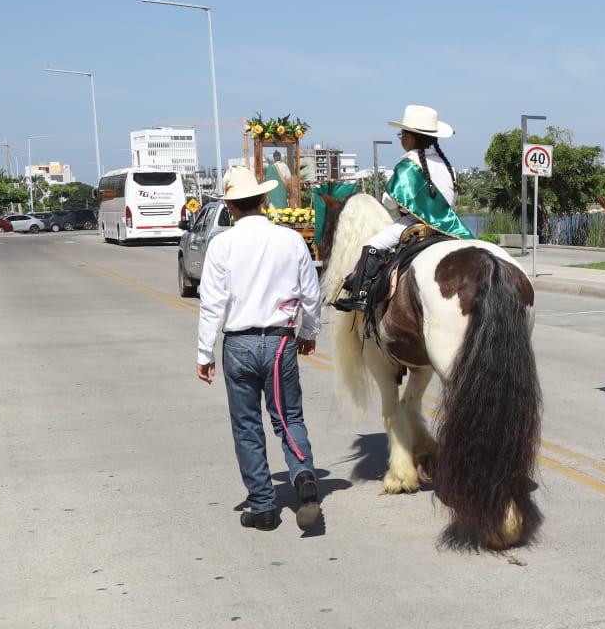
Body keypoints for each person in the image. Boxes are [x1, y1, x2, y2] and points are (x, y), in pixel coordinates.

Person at [197, 167, 324, 532]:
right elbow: (310, 294)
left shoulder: (222, 244)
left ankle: (263, 505)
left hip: (239, 343)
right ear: (264, 200)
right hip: (281, 340)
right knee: (288, 418)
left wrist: (204, 353)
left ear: (231, 207)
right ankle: (303, 475)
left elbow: (212, 303)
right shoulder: (289, 239)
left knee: (247, 425)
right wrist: (309, 331)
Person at [334, 104, 472, 313]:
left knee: (372, 245)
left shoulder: (408, 163)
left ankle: (360, 296)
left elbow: (389, 202)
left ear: (411, 137)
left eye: (402, 134)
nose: (400, 138)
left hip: (412, 224)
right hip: (448, 228)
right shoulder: (447, 165)